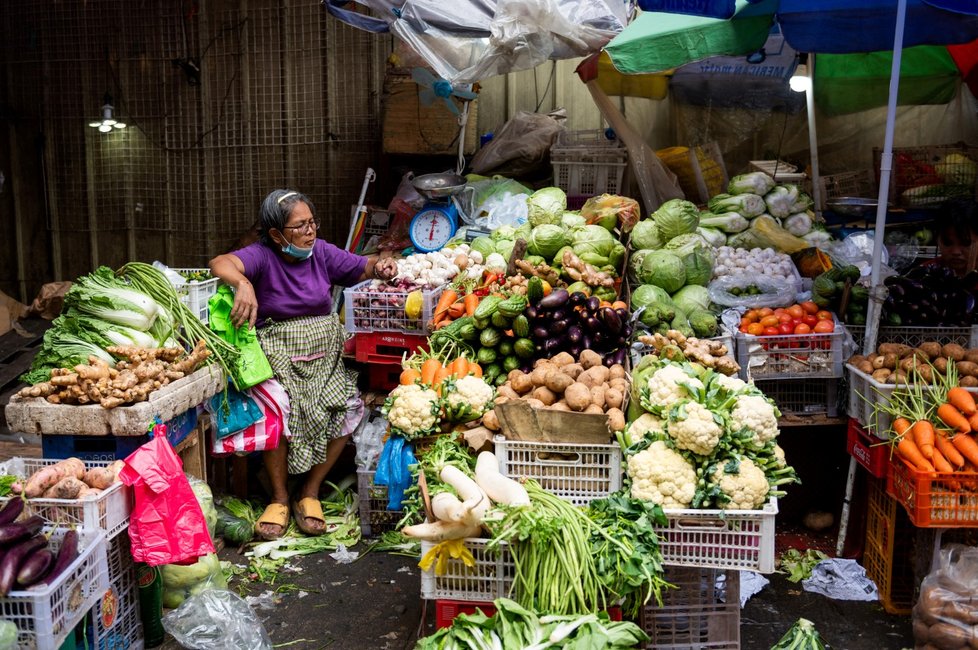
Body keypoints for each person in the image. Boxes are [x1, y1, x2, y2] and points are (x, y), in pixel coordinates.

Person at [209, 189, 398, 539]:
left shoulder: (321, 252)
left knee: (347, 407)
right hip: (279, 354)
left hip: (324, 354)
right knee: (278, 410)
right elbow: (220, 262)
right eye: (300, 226)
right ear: (277, 235)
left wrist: (380, 265)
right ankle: (280, 497)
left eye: (312, 223)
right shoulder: (262, 255)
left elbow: (363, 266)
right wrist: (243, 283)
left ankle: (309, 491)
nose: (310, 231)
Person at [931, 198, 978, 277]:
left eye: (965, 243)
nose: (956, 252)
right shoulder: (924, 275)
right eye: (947, 243)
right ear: (937, 239)